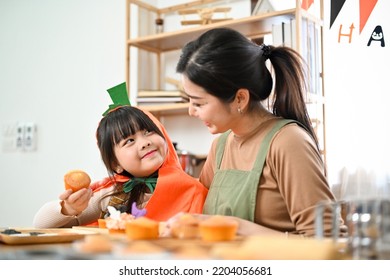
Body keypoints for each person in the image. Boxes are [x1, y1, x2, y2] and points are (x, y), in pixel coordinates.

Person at [176, 27, 342, 237]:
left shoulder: (288, 142)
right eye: (189, 101)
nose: (191, 111)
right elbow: (199, 212)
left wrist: (238, 228)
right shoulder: (221, 146)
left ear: (240, 99)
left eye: (199, 103)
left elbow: (329, 241)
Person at [33, 82, 208, 228]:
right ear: (116, 164)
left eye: (148, 131)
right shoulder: (110, 194)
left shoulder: (193, 190)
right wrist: (68, 208)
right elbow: (40, 225)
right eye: (129, 141)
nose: (145, 142)